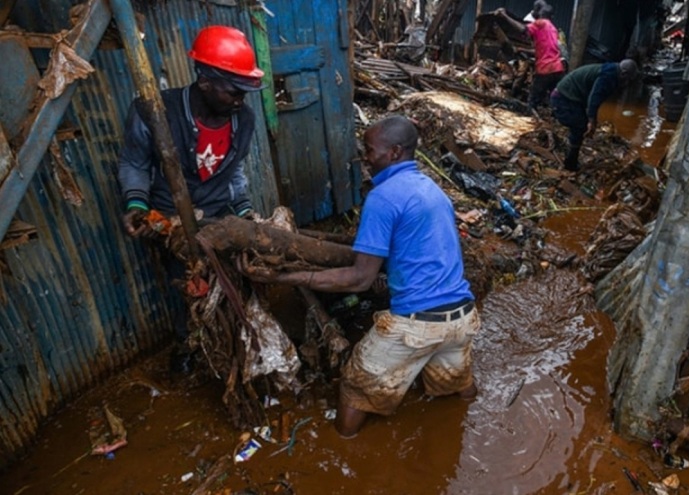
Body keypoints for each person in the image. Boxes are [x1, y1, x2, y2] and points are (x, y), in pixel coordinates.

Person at [238, 115, 480, 438]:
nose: (365, 157)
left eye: (370, 149)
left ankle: (344, 447)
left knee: (354, 387)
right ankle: (474, 429)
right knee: (458, 389)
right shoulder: (433, 189)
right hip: (463, 319)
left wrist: (294, 277)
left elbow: (359, 279)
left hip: (417, 326)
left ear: (394, 152)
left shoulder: (383, 197)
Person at [117, 25, 264, 372]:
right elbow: (134, 162)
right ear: (205, 81)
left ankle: (237, 347)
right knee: (186, 287)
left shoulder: (243, 118)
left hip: (219, 218)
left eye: (246, 91)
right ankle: (189, 345)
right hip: (170, 220)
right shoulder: (154, 111)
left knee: (235, 281)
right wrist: (136, 204)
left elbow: (235, 172)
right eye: (234, 91)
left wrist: (244, 210)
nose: (241, 99)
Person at [550, 59, 639, 170]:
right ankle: (570, 163)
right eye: (627, 80)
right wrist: (592, 120)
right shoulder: (609, 76)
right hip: (562, 99)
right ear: (623, 74)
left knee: (581, 124)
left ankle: (571, 156)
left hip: (571, 98)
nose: (626, 83)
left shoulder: (612, 69)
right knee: (580, 127)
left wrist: (591, 119)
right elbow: (594, 98)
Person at [495, 1, 566, 111]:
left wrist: (504, 16)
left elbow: (523, 30)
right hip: (558, 68)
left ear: (539, 14)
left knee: (533, 100)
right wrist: (521, 49)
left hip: (545, 68)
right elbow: (543, 50)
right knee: (555, 99)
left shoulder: (540, 23)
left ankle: (531, 118)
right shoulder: (552, 28)